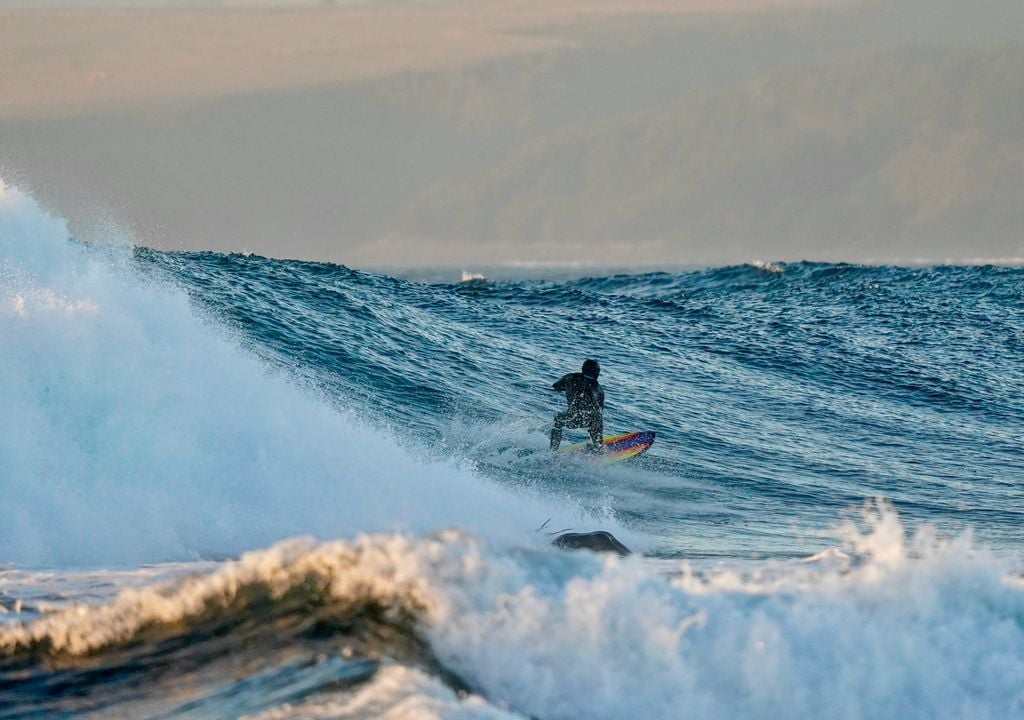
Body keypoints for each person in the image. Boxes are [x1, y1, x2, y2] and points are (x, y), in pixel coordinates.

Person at [550, 359, 605, 451]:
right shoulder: (598, 388)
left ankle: (553, 450)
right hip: (589, 420)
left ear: (583, 369)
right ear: (596, 372)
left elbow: (556, 386)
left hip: (572, 417)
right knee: (597, 417)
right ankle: (598, 447)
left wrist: (569, 389)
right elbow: (599, 410)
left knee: (557, 420)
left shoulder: (569, 378)